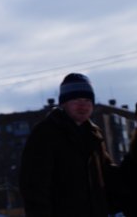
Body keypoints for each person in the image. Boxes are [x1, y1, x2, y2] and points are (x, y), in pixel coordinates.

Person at [19, 73, 118, 217]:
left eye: (87, 100)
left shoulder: (94, 135)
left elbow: (109, 177)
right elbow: (33, 185)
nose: (83, 105)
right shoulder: (46, 133)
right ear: (63, 103)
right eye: (76, 100)